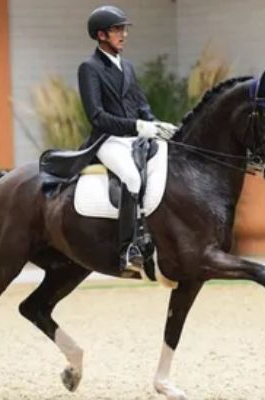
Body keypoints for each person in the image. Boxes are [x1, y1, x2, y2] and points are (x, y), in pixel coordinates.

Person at [78, 5, 177, 272]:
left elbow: (141, 104)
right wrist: (138, 126)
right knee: (132, 178)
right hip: (107, 141)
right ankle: (127, 249)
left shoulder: (128, 67)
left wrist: (157, 125)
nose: (123, 34)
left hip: (134, 139)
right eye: (116, 29)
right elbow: (96, 116)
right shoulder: (89, 68)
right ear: (101, 35)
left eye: (123, 29)